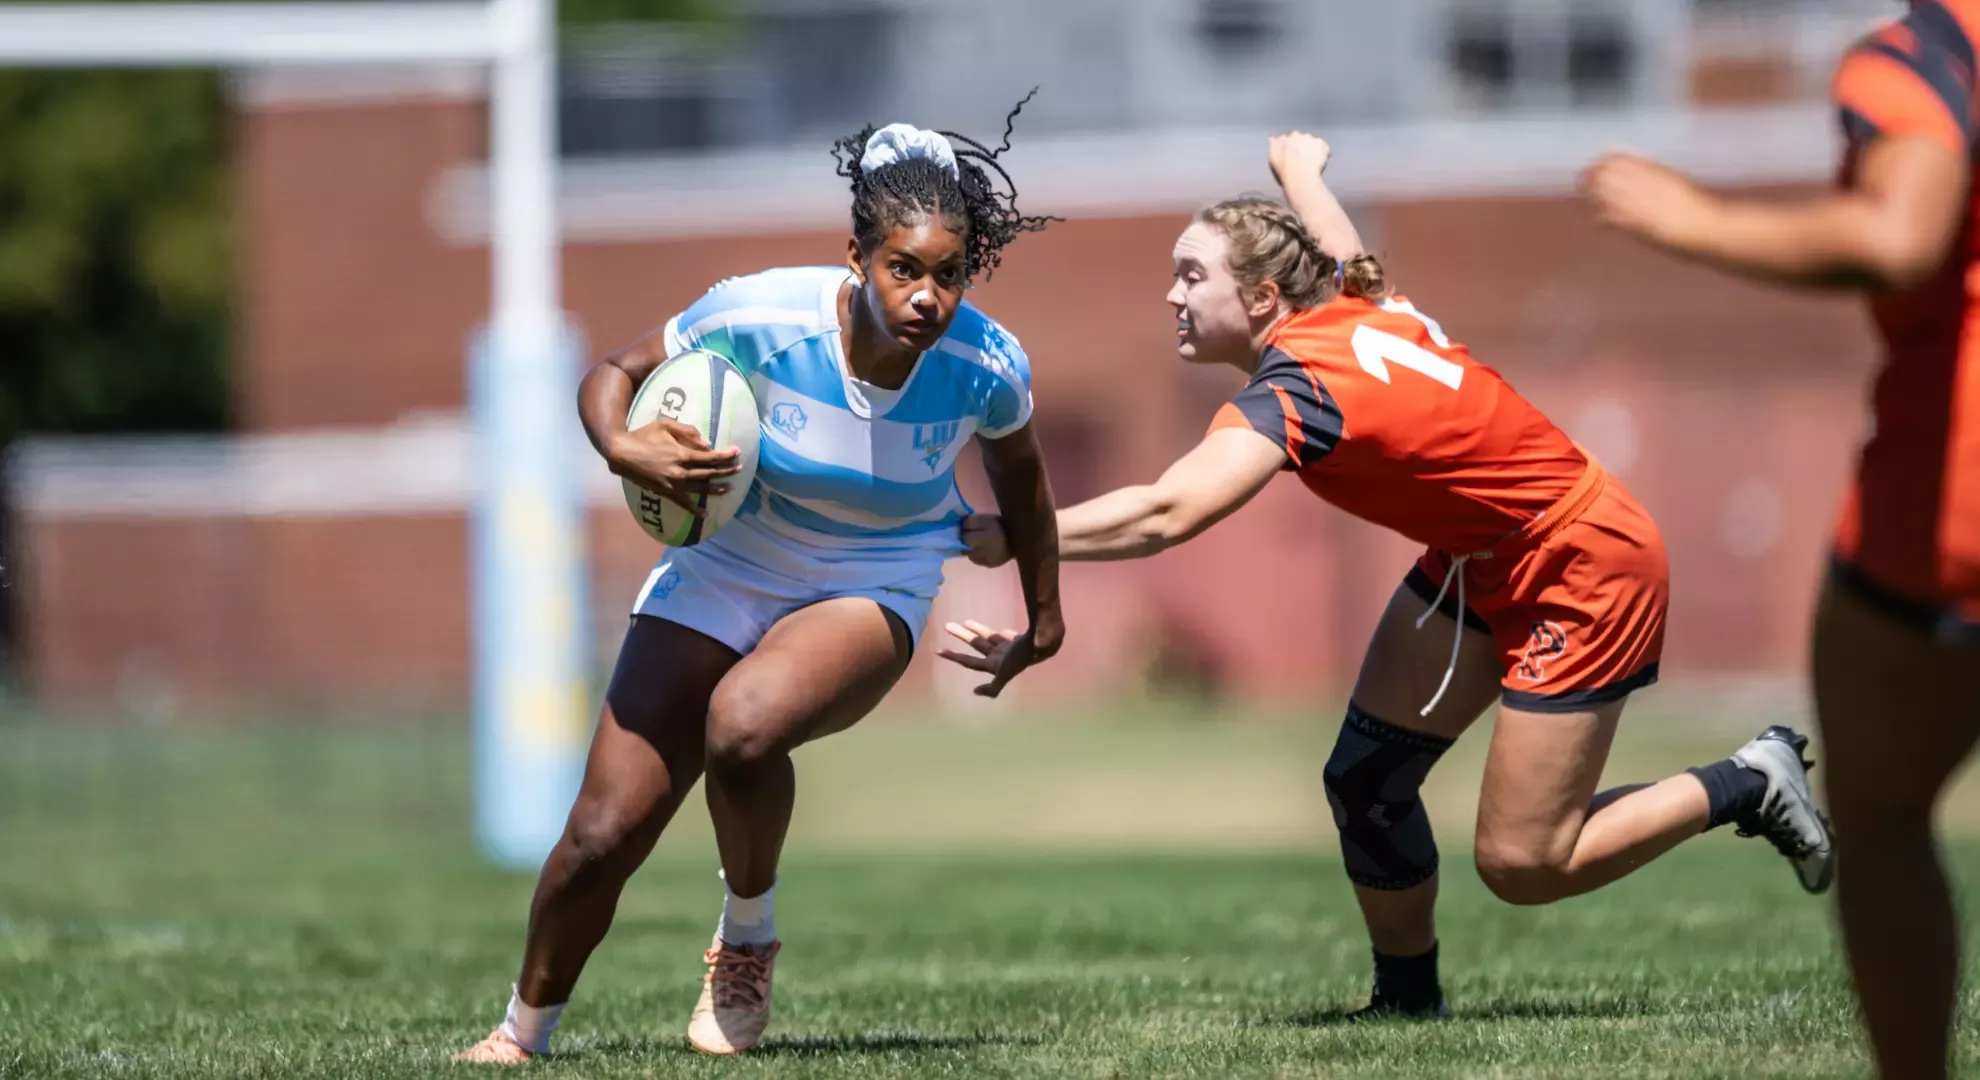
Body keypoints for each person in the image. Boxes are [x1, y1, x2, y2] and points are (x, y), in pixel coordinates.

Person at [945, 131, 1835, 1019]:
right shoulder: (1355, 302)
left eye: (1190, 275)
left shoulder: (1299, 389)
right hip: (1481, 556)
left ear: (1259, 299)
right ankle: (1409, 1006)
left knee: (1525, 863)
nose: (1170, 294)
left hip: (1583, 559)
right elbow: (1344, 249)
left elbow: (1167, 512)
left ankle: (1747, 781)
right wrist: (1300, 175)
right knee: (1365, 782)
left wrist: (1022, 536)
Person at [454, 100, 1065, 1064]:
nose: (925, 297)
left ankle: (746, 940)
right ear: (857, 255)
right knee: (601, 834)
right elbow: (614, 371)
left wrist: (1044, 622)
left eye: (948, 275)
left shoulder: (986, 365)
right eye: (903, 268)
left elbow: (1024, 486)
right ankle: (520, 1035)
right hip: (728, 562)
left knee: (743, 727)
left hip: (878, 579)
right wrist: (625, 447)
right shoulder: (759, 313)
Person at [1583, 2, 1980, 1073]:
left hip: (1948, 519)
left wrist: (1693, 220)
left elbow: (1902, 236)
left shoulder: (1927, 53)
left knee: (1884, 816)